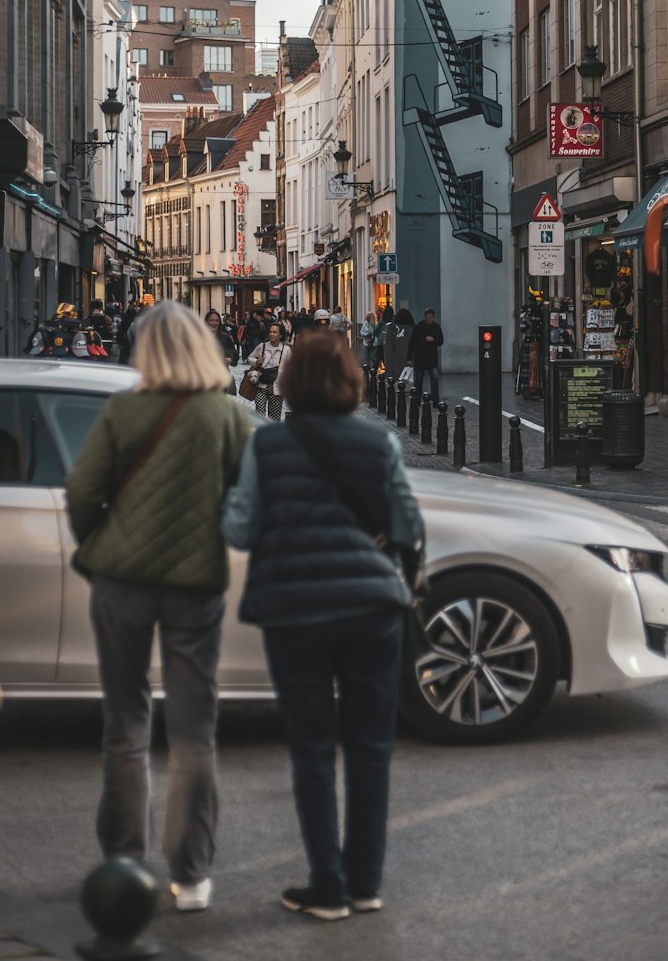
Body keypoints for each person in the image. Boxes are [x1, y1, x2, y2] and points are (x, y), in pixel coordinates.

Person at [221, 331, 424, 921]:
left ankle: (327, 886)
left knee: (311, 750)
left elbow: (237, 529)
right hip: (373, 608)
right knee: (370, 749)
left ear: (289, 381)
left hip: (295, 610)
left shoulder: (268, 446)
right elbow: (408, 527)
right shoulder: (379, 445)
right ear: (352, 379)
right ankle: (366, 883)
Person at [64, 304, 252, 914]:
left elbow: (82, 490)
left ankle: (122, 860)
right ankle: (191, 873)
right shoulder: (229, 415)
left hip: (120, 580)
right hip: (195, 583)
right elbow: (254, 494)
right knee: (195, 731)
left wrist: (99, 539)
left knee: (125, 724)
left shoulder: (123, 409)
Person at [247, 321, 290, 419]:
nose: (271, 334)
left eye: (275, 332)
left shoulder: (286, 350)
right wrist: (257, 361)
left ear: (281, 335)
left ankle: (273, 434)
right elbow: (250, 358)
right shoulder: (262, 346)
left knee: (274, 418)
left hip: (277, 387)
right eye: (270, 332)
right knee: (259, 415)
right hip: (261, 385)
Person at [407, 308, 444, 404]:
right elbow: (412, 343)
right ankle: (417, 399)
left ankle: (435, 400)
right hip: (420, 358)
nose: (431, 319)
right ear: (425, 317)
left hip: (432, 359)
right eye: (429, 317)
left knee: (435, 379)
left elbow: (440, 341)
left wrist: (433, 340)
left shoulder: (436, 327)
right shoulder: (419, 327)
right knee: (418, 381)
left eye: (432, 317)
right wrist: (409, 358)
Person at [204, 310, 239, 394]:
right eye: (211, 320)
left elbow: (234, 357)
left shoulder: (225, 338)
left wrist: (227, 359)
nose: (214, 323)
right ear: (206, 322)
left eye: (216, 321)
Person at [383, 308, 415, 383]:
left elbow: (388, 349)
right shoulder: (411, 328)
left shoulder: (391, 327)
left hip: (394, 361)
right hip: (407, 359)